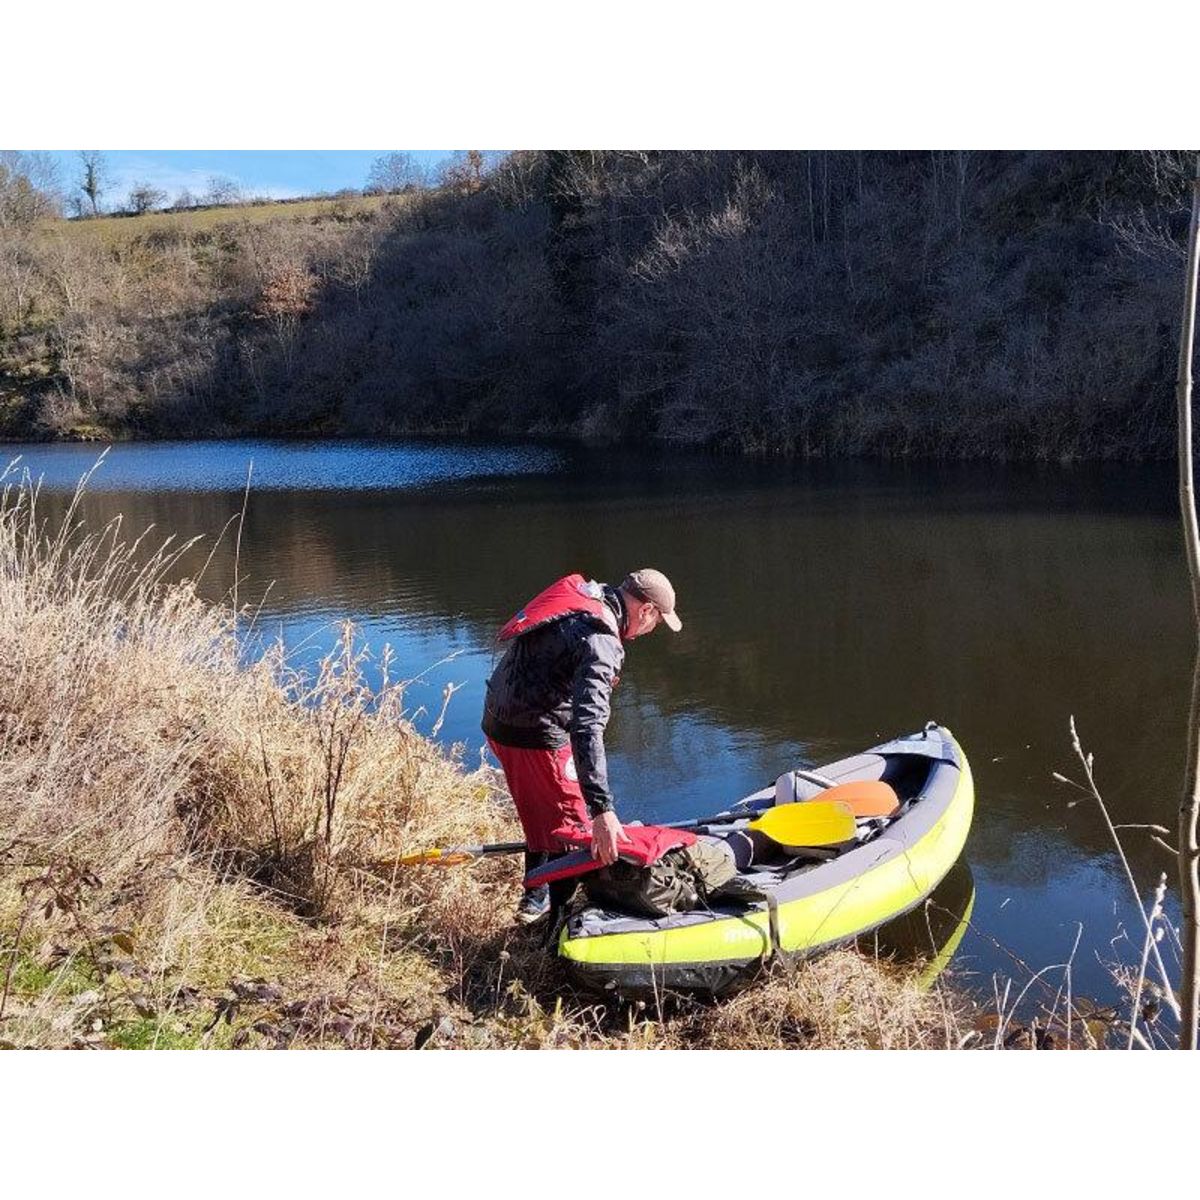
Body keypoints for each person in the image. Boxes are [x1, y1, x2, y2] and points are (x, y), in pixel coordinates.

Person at [482, 569, 682, 922]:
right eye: (657, 622)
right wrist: (602, 809)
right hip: (532, 734)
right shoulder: (602, 642)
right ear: (647, 611)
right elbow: (587, 726)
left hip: (499, 720)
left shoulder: (588, 597)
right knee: (572, 828)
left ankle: (536, 894)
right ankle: (555, 920)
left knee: (543, 811)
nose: (652, 630)